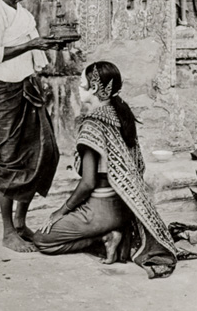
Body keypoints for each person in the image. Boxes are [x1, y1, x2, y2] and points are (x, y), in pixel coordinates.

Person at [33, 61, 177, 279]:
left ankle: (103, 239)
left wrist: (60, 211)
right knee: (62, 226)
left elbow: (88, 183)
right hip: (124, 207)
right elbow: (138, 166)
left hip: (101, 210)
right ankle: (115, 235)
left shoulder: (93, 124)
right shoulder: (121, 114)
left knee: (42, 240)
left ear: (94, 89)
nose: (79, 89)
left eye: (82, 84)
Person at [0, 0, 60, 253]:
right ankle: (8, 231)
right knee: (10, 160)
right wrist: (31, 44)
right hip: (2, 93)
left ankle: (22, 222)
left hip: (27, 89)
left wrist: (46, 51)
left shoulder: (23, 14)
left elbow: (37, 54)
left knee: (43, 152)